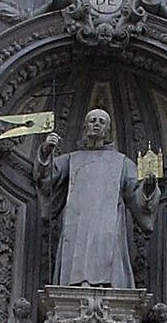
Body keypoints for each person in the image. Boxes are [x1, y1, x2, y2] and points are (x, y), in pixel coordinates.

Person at [37, 108, 160, 290]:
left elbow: (137, 194)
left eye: (101, 122)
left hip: (108, 228)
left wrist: (148, 190)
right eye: (93, 121)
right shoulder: (71, 159)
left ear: (108, 130)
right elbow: (47, 180)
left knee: (107, 254)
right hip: (76, 225)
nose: (96, 124)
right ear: (85, 127)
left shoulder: (122, 162)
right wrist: (46, 152)